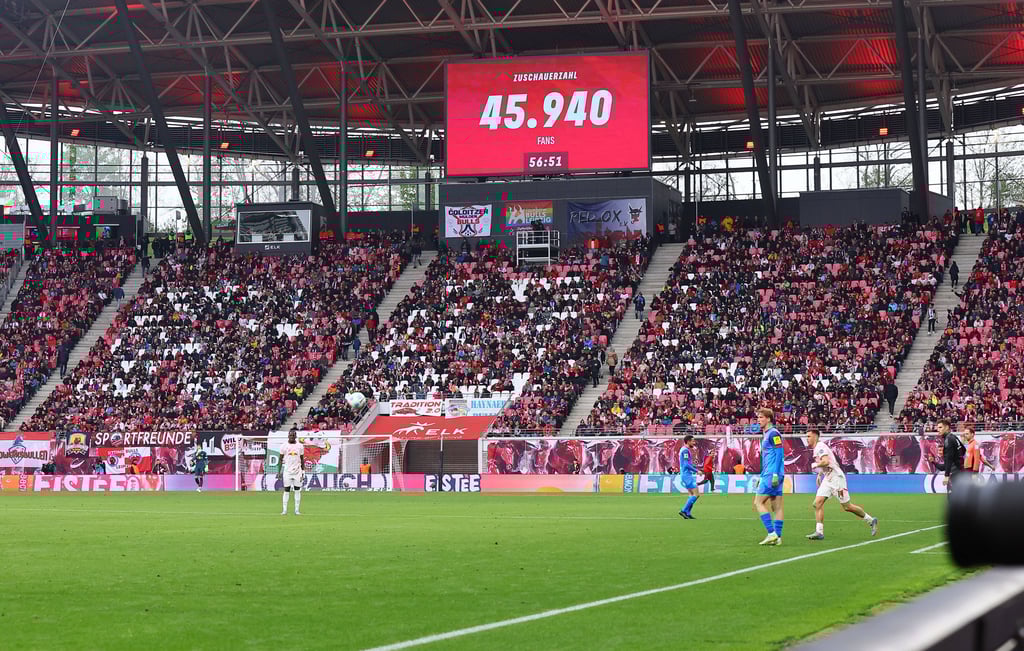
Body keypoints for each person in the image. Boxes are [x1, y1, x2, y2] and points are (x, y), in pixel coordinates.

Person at [805, 429, 878, 540]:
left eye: (809, 436)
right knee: (817, 503)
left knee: (847, 507)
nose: (807, 438)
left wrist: (815, 465)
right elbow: (831, 462)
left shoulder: (820, 447)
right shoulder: (818, 448)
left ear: (815, 436)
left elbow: (825, 462)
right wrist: (820, 474)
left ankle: (870, 520)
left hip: (836, 478)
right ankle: (819, 532)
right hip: (828, 478)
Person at [754, 408, 785, 546]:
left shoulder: (773, 433)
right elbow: (767, 458)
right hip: (771, 474)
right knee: (776, 507)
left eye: (761, 417)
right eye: (758, 417)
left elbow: (779, 453)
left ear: (768, 418)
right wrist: (761, 476)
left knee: (758, 502)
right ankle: (777, 538)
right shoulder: (767, 434)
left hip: (772, 474)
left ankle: (771, 533)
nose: (758, 420)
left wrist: (774, 474)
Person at [928, 419, 965, 495]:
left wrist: (947, 475)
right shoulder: (953, 437)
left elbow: (949, 459)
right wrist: (933, 461)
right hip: (959, 471)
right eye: (938, 428)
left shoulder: (948, 439)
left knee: (953, 498)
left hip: (955, 473)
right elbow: (963, 450)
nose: (938, 430)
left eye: (940, 427)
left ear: (947, 427)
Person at [278, 430, 305, 515]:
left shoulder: (300, 446)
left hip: (297, 471)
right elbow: (280, 459)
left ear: (296, 436)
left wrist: (303, 471)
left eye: (293, 435)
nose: (292, 437)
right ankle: (284, 510)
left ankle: (297, 510)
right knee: (286, 490)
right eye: (290, 435)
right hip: (287, 471)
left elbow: (302, 459)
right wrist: (279, 471)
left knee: (297, 490)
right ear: (288, 436)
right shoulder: (283, 446)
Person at [677, 435, 700, 519]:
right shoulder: (685, 451)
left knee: (691, 494)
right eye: (693, 441)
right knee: (696, 494)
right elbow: (686, 465)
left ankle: (687, 513)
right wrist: (697, 471)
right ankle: (683, 510)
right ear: (688, 441)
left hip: (685, 474)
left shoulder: (683, 450)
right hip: (687, 475)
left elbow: (686, 463)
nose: (694, 443)